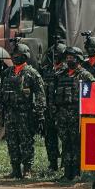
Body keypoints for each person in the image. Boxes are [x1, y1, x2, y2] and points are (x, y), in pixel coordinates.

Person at [0, 44, 46, 178]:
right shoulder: (7, 73)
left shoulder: (32, 73)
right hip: (9, 113)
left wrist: (40, 114)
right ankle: (15, 169)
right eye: (12, 55)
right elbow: (0, 92)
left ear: (24, 57)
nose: (13, 58)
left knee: (26, 142)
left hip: (25, 113)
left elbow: (40, 95)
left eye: (17, 56)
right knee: (12, 142)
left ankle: (27, 170)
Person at [55, 47, 94, 180]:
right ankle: (67, 172)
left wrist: (87, 117)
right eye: (67, 57)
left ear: (78, 59)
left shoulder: (85, 75)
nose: (68, 59)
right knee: (65, 143)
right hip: (63, 115)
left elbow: (90, 97)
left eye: (71, 57)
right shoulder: (61, 75)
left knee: (76, 143)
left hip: (77, 116)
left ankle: (76, 173)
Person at [41, 42, 66, 172]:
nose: (55, 57)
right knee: (50, 138)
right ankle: (52, 163)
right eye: (53, 54)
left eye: (58, 55)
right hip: (48, 111)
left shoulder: (68, 71)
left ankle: (65, 164)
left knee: (65, 139)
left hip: (62, 111)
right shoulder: (46, 70)